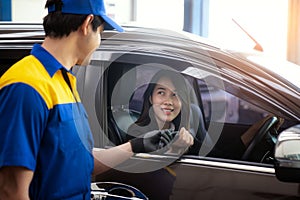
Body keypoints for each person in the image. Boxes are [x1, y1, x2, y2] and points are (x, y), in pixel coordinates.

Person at [0, 1, 193, 199]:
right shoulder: (26, 86)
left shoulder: (63, 83)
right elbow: (11, 190)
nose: (100, 40)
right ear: (87, 23)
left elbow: (82, 162)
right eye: (100, 32)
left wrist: (136, 146)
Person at [126, 69, 194, 199]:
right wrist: (173, 150)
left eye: (175, 94)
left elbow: (224, 156)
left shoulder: (184, 135)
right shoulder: (136, 133)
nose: (168, 101)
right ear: (151, 98)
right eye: (161, 92)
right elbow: (150, 181)